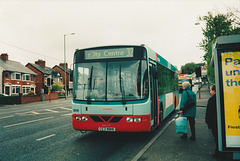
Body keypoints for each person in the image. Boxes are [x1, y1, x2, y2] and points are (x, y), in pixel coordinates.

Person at [205, 84, 219, 157]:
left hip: (214, 123)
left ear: (214, 90)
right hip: (217, 122)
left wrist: (208, 122)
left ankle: (218, 152)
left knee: (216, 138)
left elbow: (209, 112)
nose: (210, 92)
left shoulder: (212, 99)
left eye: (210, 90)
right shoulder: (221, 97)